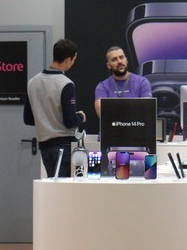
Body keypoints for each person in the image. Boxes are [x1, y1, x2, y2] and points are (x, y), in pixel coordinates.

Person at [23, 39, 87, 177]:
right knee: (65, 191)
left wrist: (46, 117)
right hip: (64, 146)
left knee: (54, 188)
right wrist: (80, 116)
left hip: (45, 146)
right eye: (74, 60)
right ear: (68, 59)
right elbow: (69, 121)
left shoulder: (32, 82)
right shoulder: (66, 84)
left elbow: (28, 119)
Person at [94, 46, 153, 117]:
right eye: (114, 59)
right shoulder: (102, 87)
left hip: (137, 126)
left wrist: (114, 109)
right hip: (112, 127)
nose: (119, 61)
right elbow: (102, 114)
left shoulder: (142, 82)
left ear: (126, 60)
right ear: (108, 65)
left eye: (121, 57)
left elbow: (146, 110)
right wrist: (133, 108)